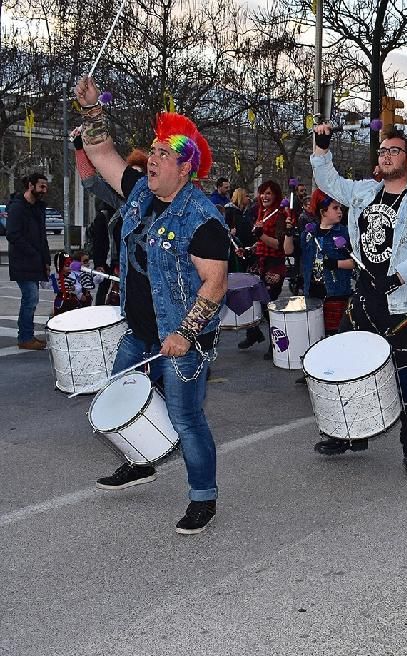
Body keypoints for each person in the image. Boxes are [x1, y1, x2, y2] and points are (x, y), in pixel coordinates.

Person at [75, 75, 229, 534]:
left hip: (181, 339)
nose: (153, 158)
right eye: (154, 149)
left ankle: (203, 497)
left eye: (164, 153)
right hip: (140, 332)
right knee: (122, 396)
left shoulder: (203, 220)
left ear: (185, 168)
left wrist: (185, 333)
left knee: (185, 417)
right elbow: (102, 155)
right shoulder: (142, 192)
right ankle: (140, 460)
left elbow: (215, 285)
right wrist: (92, 110)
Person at [311, 125, 407, 476]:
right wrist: (322, 150)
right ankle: (348, 433)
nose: (385, 155)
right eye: (382, 150)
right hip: (364, 294)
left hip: (401, 300)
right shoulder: (365, 192)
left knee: (406, 376)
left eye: (393, 151)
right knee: (347, 366)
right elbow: (330, 182)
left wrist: (398, 275)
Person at [237, 180, 294, 356]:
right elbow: (260, 240)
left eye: (269, 193)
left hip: (274, 264)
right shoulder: (263, 213)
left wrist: (261, 235)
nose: (265, 196)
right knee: (251, 299)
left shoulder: (280, 215)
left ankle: (276, 343)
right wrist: (248, 249)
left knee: (268, 305)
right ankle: (253, 333)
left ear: (275, 195)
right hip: (259, 261)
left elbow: (279, 245)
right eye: (263, 193)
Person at [6, 172, 50, 350]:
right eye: (41, 186)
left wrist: (46, 260)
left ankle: (26, 335)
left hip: (35, 261)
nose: (44, 190)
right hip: (22, 262)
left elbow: (42, 236)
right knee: (30, 298)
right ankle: (25, 337)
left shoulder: (38, 208)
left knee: (31, 299)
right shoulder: (17, 207)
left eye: (45, 187)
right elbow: (13, 234)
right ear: (30, 186)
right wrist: (33, 254)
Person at [300, 190, 354, 333]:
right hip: (312, 291)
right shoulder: (309, 233)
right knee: (315, 336)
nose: (339, 211)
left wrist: (337, 264)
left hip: (336, 292)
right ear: (323, 212)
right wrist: (287, 233)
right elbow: (289, 251)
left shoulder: (345, 233)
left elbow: (356, 262)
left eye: (340, 208)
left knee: (335, 335)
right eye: (335, 208)